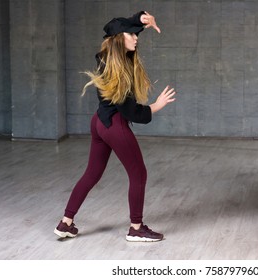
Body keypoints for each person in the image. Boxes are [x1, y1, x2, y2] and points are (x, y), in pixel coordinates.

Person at [54, 11, 175, 242]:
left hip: (99, 122)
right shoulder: (118, 73)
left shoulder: (106, 57)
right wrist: (156, 106)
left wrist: (140, 19)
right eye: (131, 34)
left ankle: (65, 223)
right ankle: (136, 229)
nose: (136, 37)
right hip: (114, 126)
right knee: (139, 173)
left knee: (91, 174)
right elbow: (131, 112)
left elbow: (112, 25)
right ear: (120, 39)